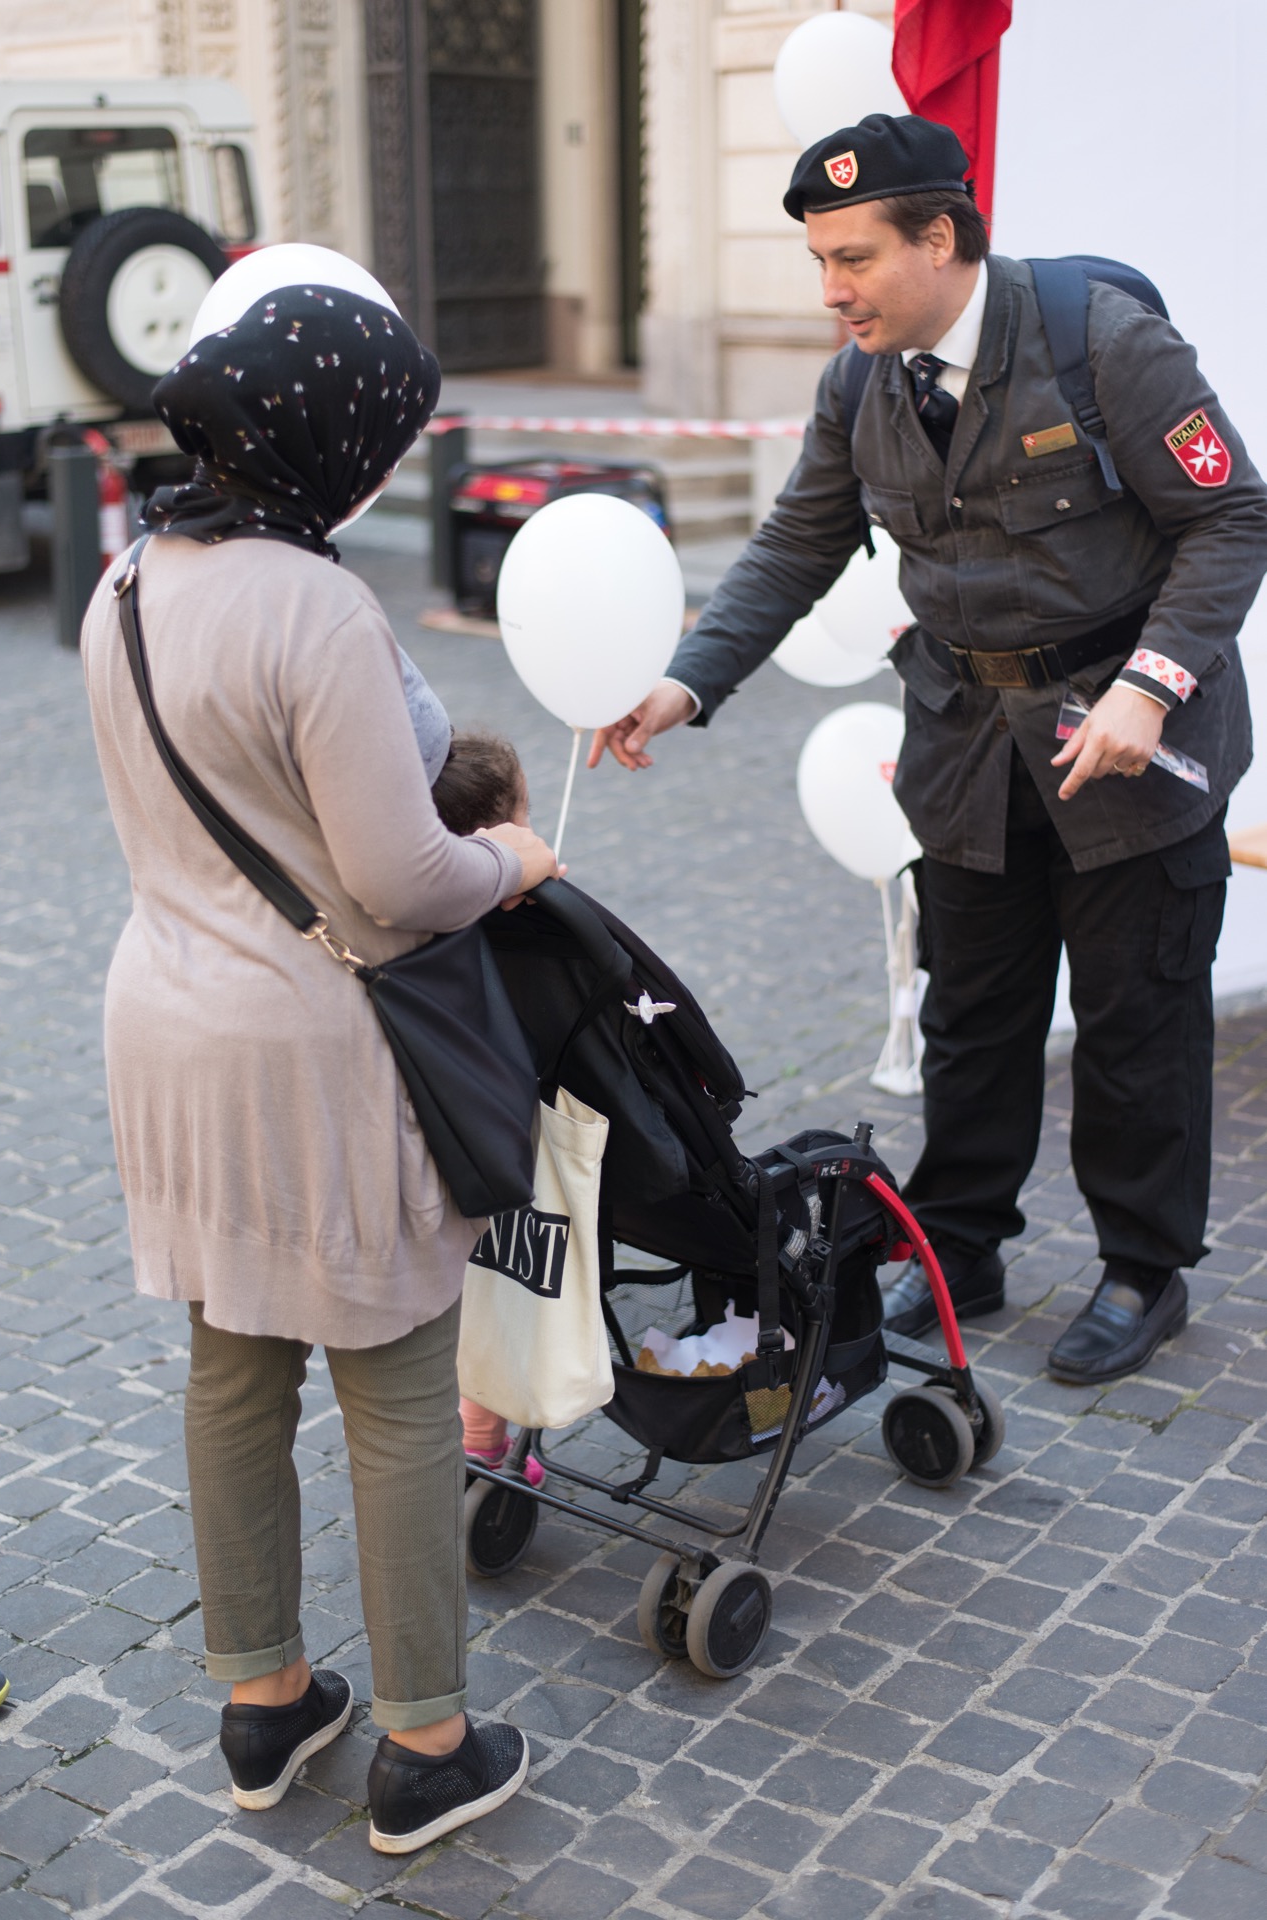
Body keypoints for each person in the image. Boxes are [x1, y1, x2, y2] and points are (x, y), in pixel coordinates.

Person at [590, 113, 1267, 1386]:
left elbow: (1231, 513)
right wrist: (686, 685)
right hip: (966, 743)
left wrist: (1150, 686)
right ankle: (958, 1245)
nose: (832, 289)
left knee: (1137, 1015)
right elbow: (797, 544)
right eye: (818, 262)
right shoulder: (862, 379)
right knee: (969, 1012)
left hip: (1129, 740)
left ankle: (1141, 1269)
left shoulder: (1099, 343)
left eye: (851, 257)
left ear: (939, 236)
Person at [81, 281, 558, 1851]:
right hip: (315, 1048)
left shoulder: (130, 580)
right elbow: (400, 875)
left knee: (231, 1371)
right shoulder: (316, 605)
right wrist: (513, 863)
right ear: (329, 435)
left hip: (168, 1022)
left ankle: (264, 1700)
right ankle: (424, 1744)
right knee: (400, 1390)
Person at [430, 729, 545, 1489]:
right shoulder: (538, 932)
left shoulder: (418, 923)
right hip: (511, 1142)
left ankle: (461, 1434)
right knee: (502, 1282)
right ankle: (484, 1436)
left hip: (434, 1131)